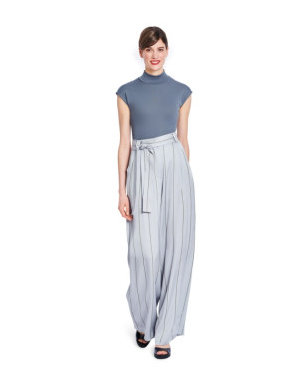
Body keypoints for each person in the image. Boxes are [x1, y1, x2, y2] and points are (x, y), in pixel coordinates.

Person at [116, 26, 196, 359]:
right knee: (144, 253)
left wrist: (183, 183)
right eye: (149, 49)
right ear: (141, 52)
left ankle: (165, 332)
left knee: (177, 250)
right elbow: (124, 143)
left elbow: (183, 140)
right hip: (142, 167)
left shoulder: (182, 92)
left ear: (167, 52)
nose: (154, 55)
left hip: (175, 168)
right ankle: (144, 321)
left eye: (160, 48)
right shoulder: (126, 92)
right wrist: (122, 190)